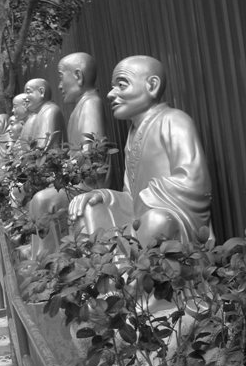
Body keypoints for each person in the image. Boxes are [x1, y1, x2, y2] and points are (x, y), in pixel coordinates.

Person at [69, 55, 211, 247]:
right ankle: (103, 274)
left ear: (151, 85)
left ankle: (133, 272)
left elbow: (194, 182)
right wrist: (105, 195)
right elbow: (130, 196)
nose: (111, 94)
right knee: (89, 207)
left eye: (121, 84)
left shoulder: (174, 120)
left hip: (170, 220)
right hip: (140, 216)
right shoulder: (133, 134)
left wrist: (143, 200)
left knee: (156, 221)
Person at [27, 52, 110, 258]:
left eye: (61, 76)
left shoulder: (91, 104)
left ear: (78, 76)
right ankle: (40, 250)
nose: (60, 85)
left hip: (88, 183)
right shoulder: (80, 107)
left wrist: (65, 171)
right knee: (39, 196)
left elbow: (89, 153)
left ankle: (46, 256)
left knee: (42, 200)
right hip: (74, 178)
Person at [20, 78, 66, 150]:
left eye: (28, 92)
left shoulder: (49, 111)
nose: (24, 97)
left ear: (41, 92)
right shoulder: (39, 114)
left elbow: (44, 146)